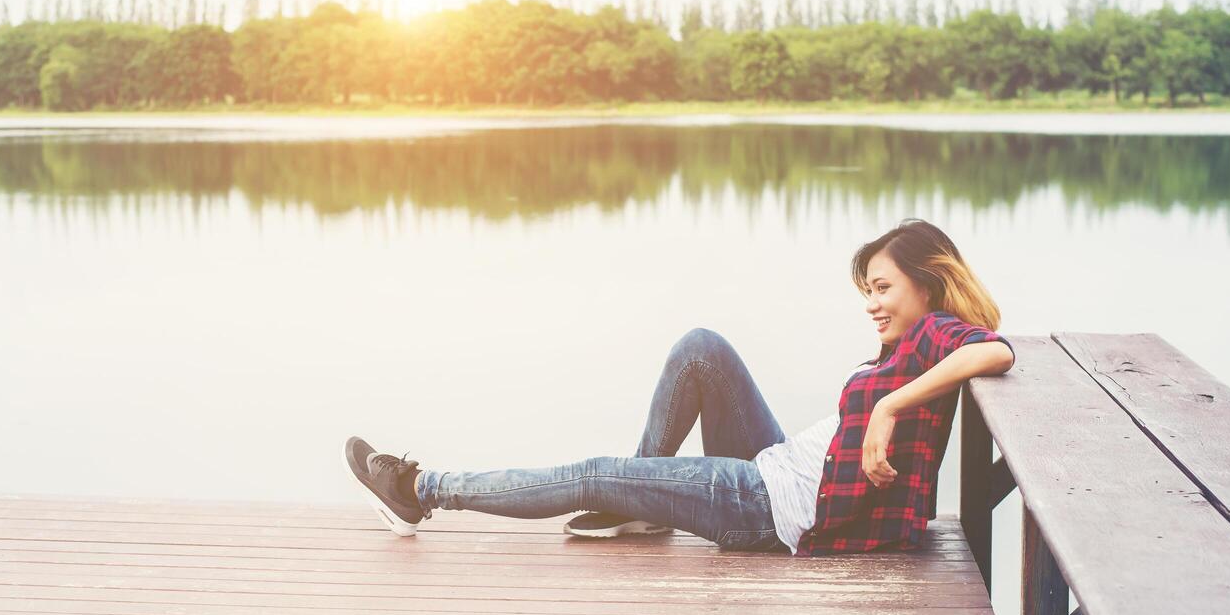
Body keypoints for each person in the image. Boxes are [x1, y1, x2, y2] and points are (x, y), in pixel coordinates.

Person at [345, 218, 1016, 555]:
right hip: (774, 468)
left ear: (925, 283)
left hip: (765, 507)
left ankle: (419, 491)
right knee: (702, 349)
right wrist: (887, 404)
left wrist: (890, 406)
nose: (870, 303)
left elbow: (994, 350)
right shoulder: (916, 341)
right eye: (865, 290)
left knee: (591, 473)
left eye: (881, 288)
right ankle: (643, 496)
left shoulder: (937, 334)